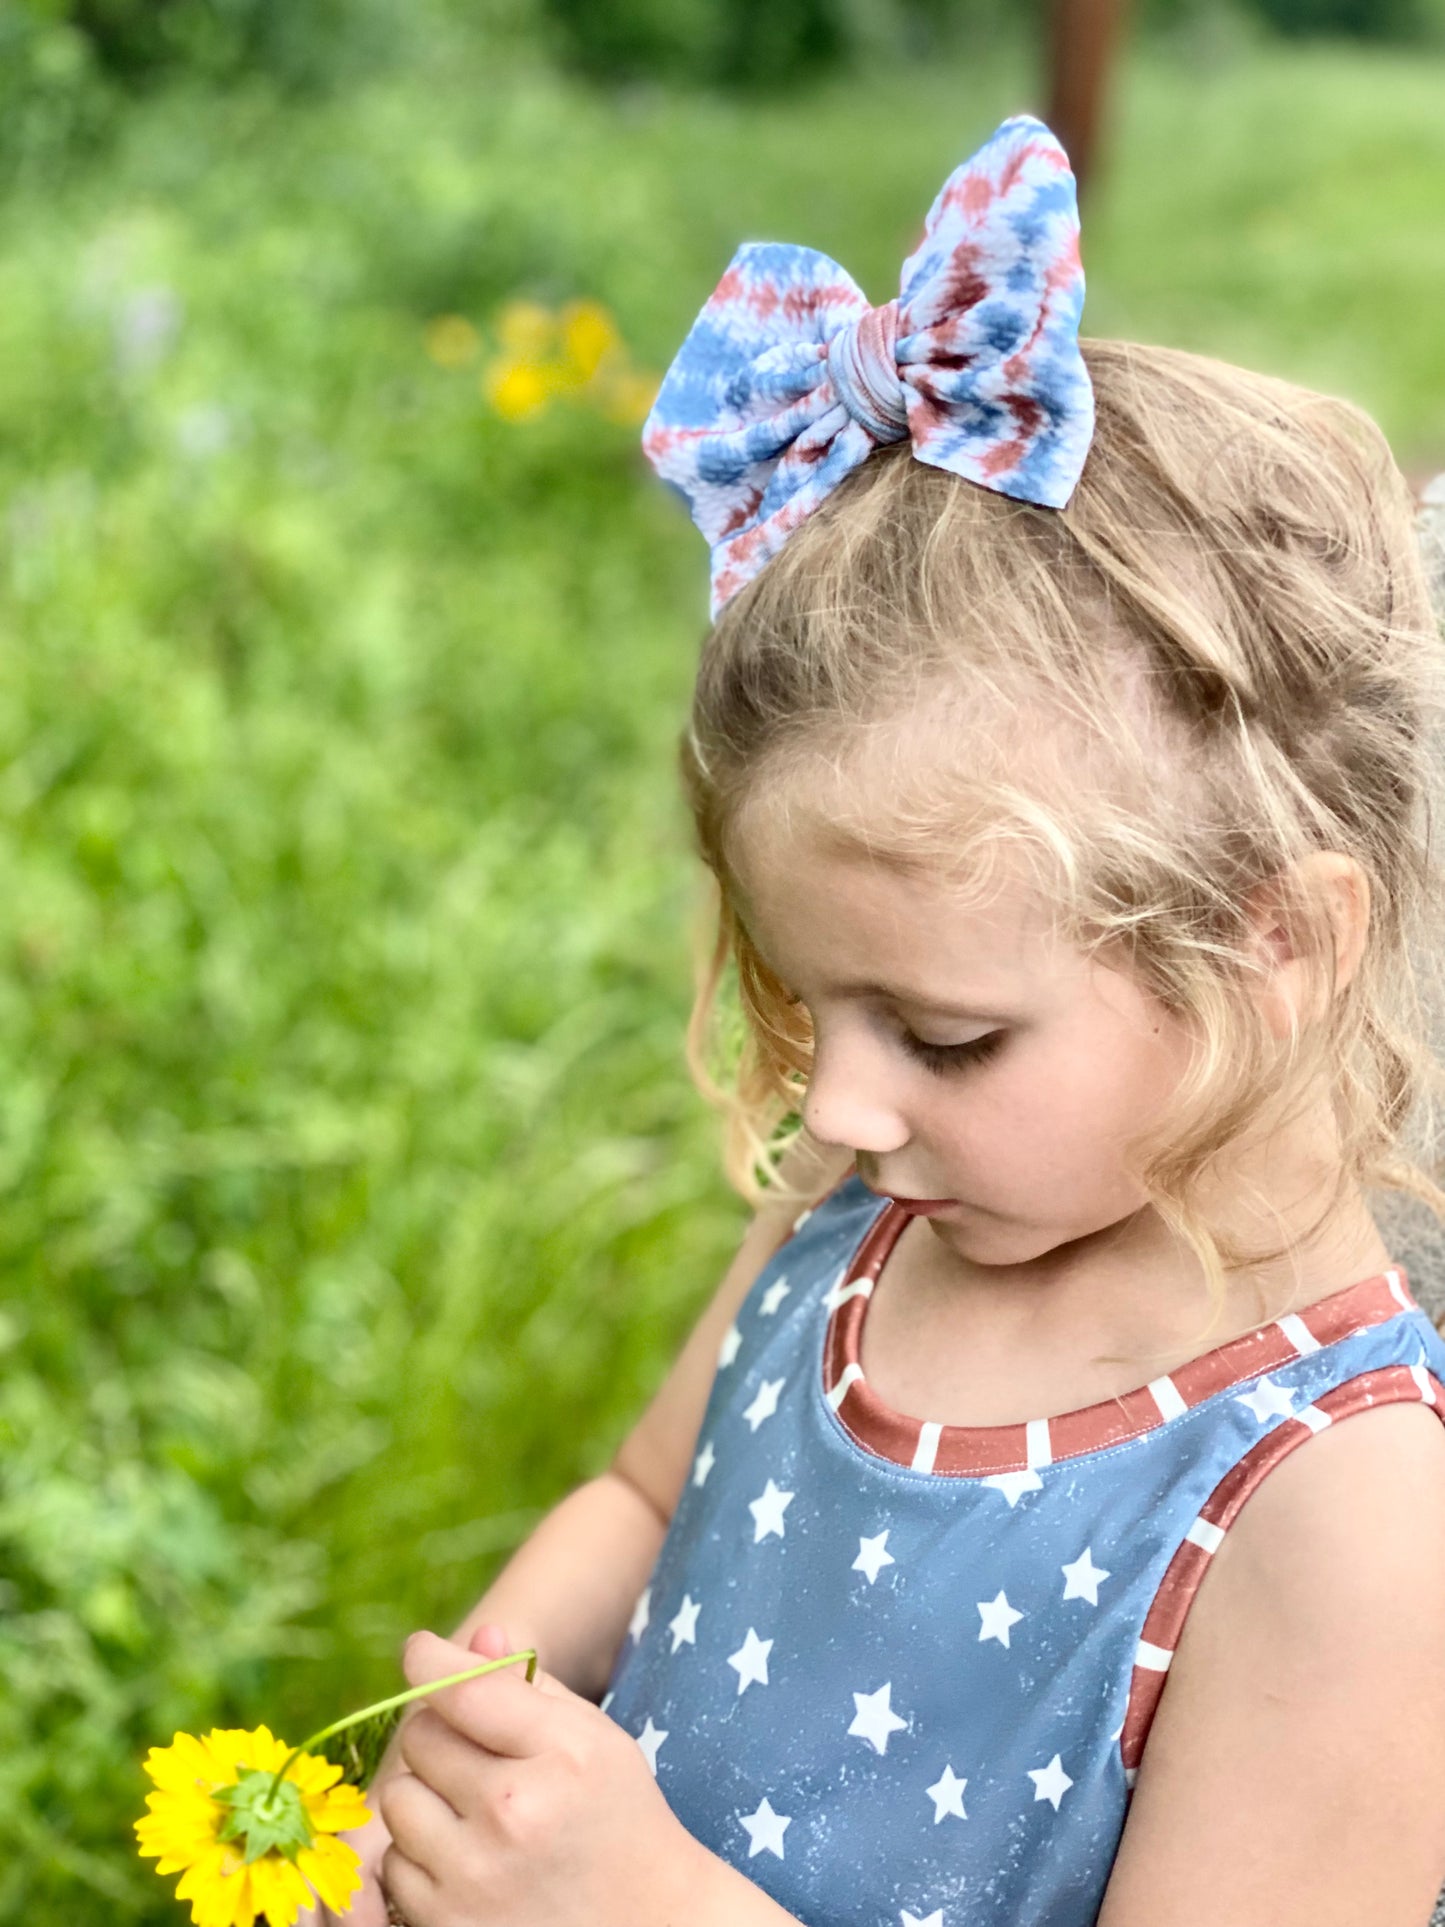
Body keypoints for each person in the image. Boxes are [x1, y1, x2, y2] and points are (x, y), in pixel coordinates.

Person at [319, 116, 1445, 1927]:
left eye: (940, 1034)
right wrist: (461, 1754)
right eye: (806, 994)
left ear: (1274, 948)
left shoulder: (1344, 1520)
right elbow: (633, 1500)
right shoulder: (883, 1205)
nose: (836, 1101)